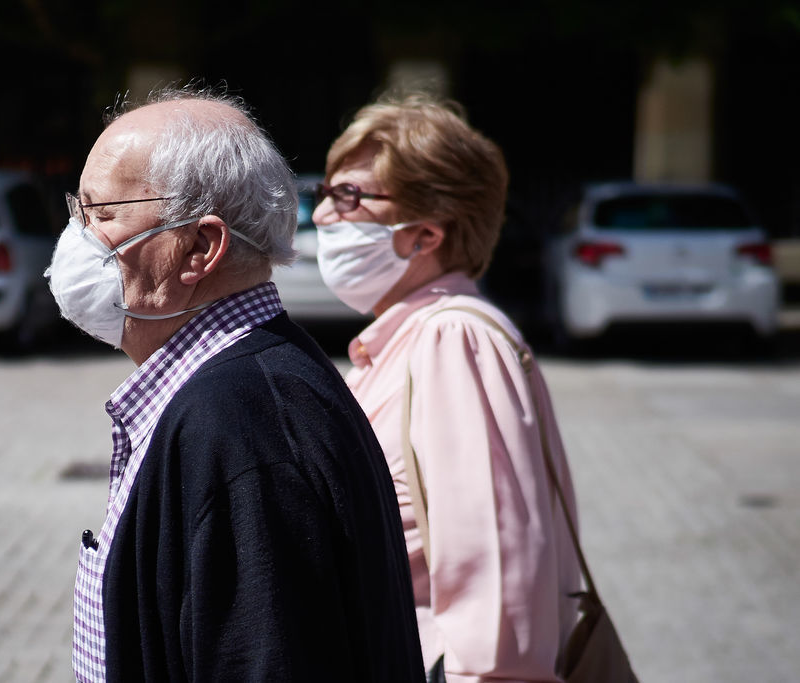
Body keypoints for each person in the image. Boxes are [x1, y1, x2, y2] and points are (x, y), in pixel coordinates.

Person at [48, 88, 424, 682]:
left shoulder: (243, 422)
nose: (77, 235)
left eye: (101, 213)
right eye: (77, 209)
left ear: (198, 247)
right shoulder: (239, 387)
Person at [313, 94, 584, 683]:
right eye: (326, 194)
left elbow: (496, 569)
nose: (321, 217)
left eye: (348, 196)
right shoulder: (399, 344)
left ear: (424, 235)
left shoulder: (453, 338)